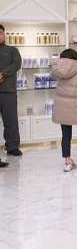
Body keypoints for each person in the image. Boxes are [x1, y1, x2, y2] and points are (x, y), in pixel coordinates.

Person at [0, 24, 22, 164]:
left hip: (8, 92)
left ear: (4, 34)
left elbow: (17, 64)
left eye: (0, 33)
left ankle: (12, 147)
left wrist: (3, 74)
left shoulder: (12, 50)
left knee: (11, 121)